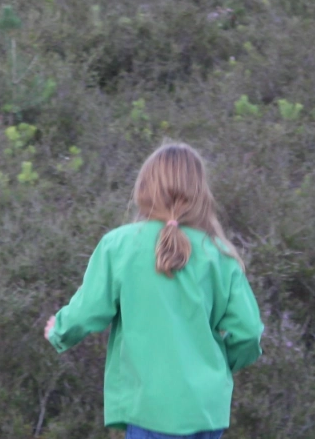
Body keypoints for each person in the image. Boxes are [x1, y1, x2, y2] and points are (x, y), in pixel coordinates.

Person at [43, 141, 263, 439]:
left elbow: (89, 310)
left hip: (150, 407)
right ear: (200, 192)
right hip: (206, 411)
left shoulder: (119, 245)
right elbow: (248, 331)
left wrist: (60, 330)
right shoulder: (219, 253)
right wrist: (221, 366)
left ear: (144, 188)